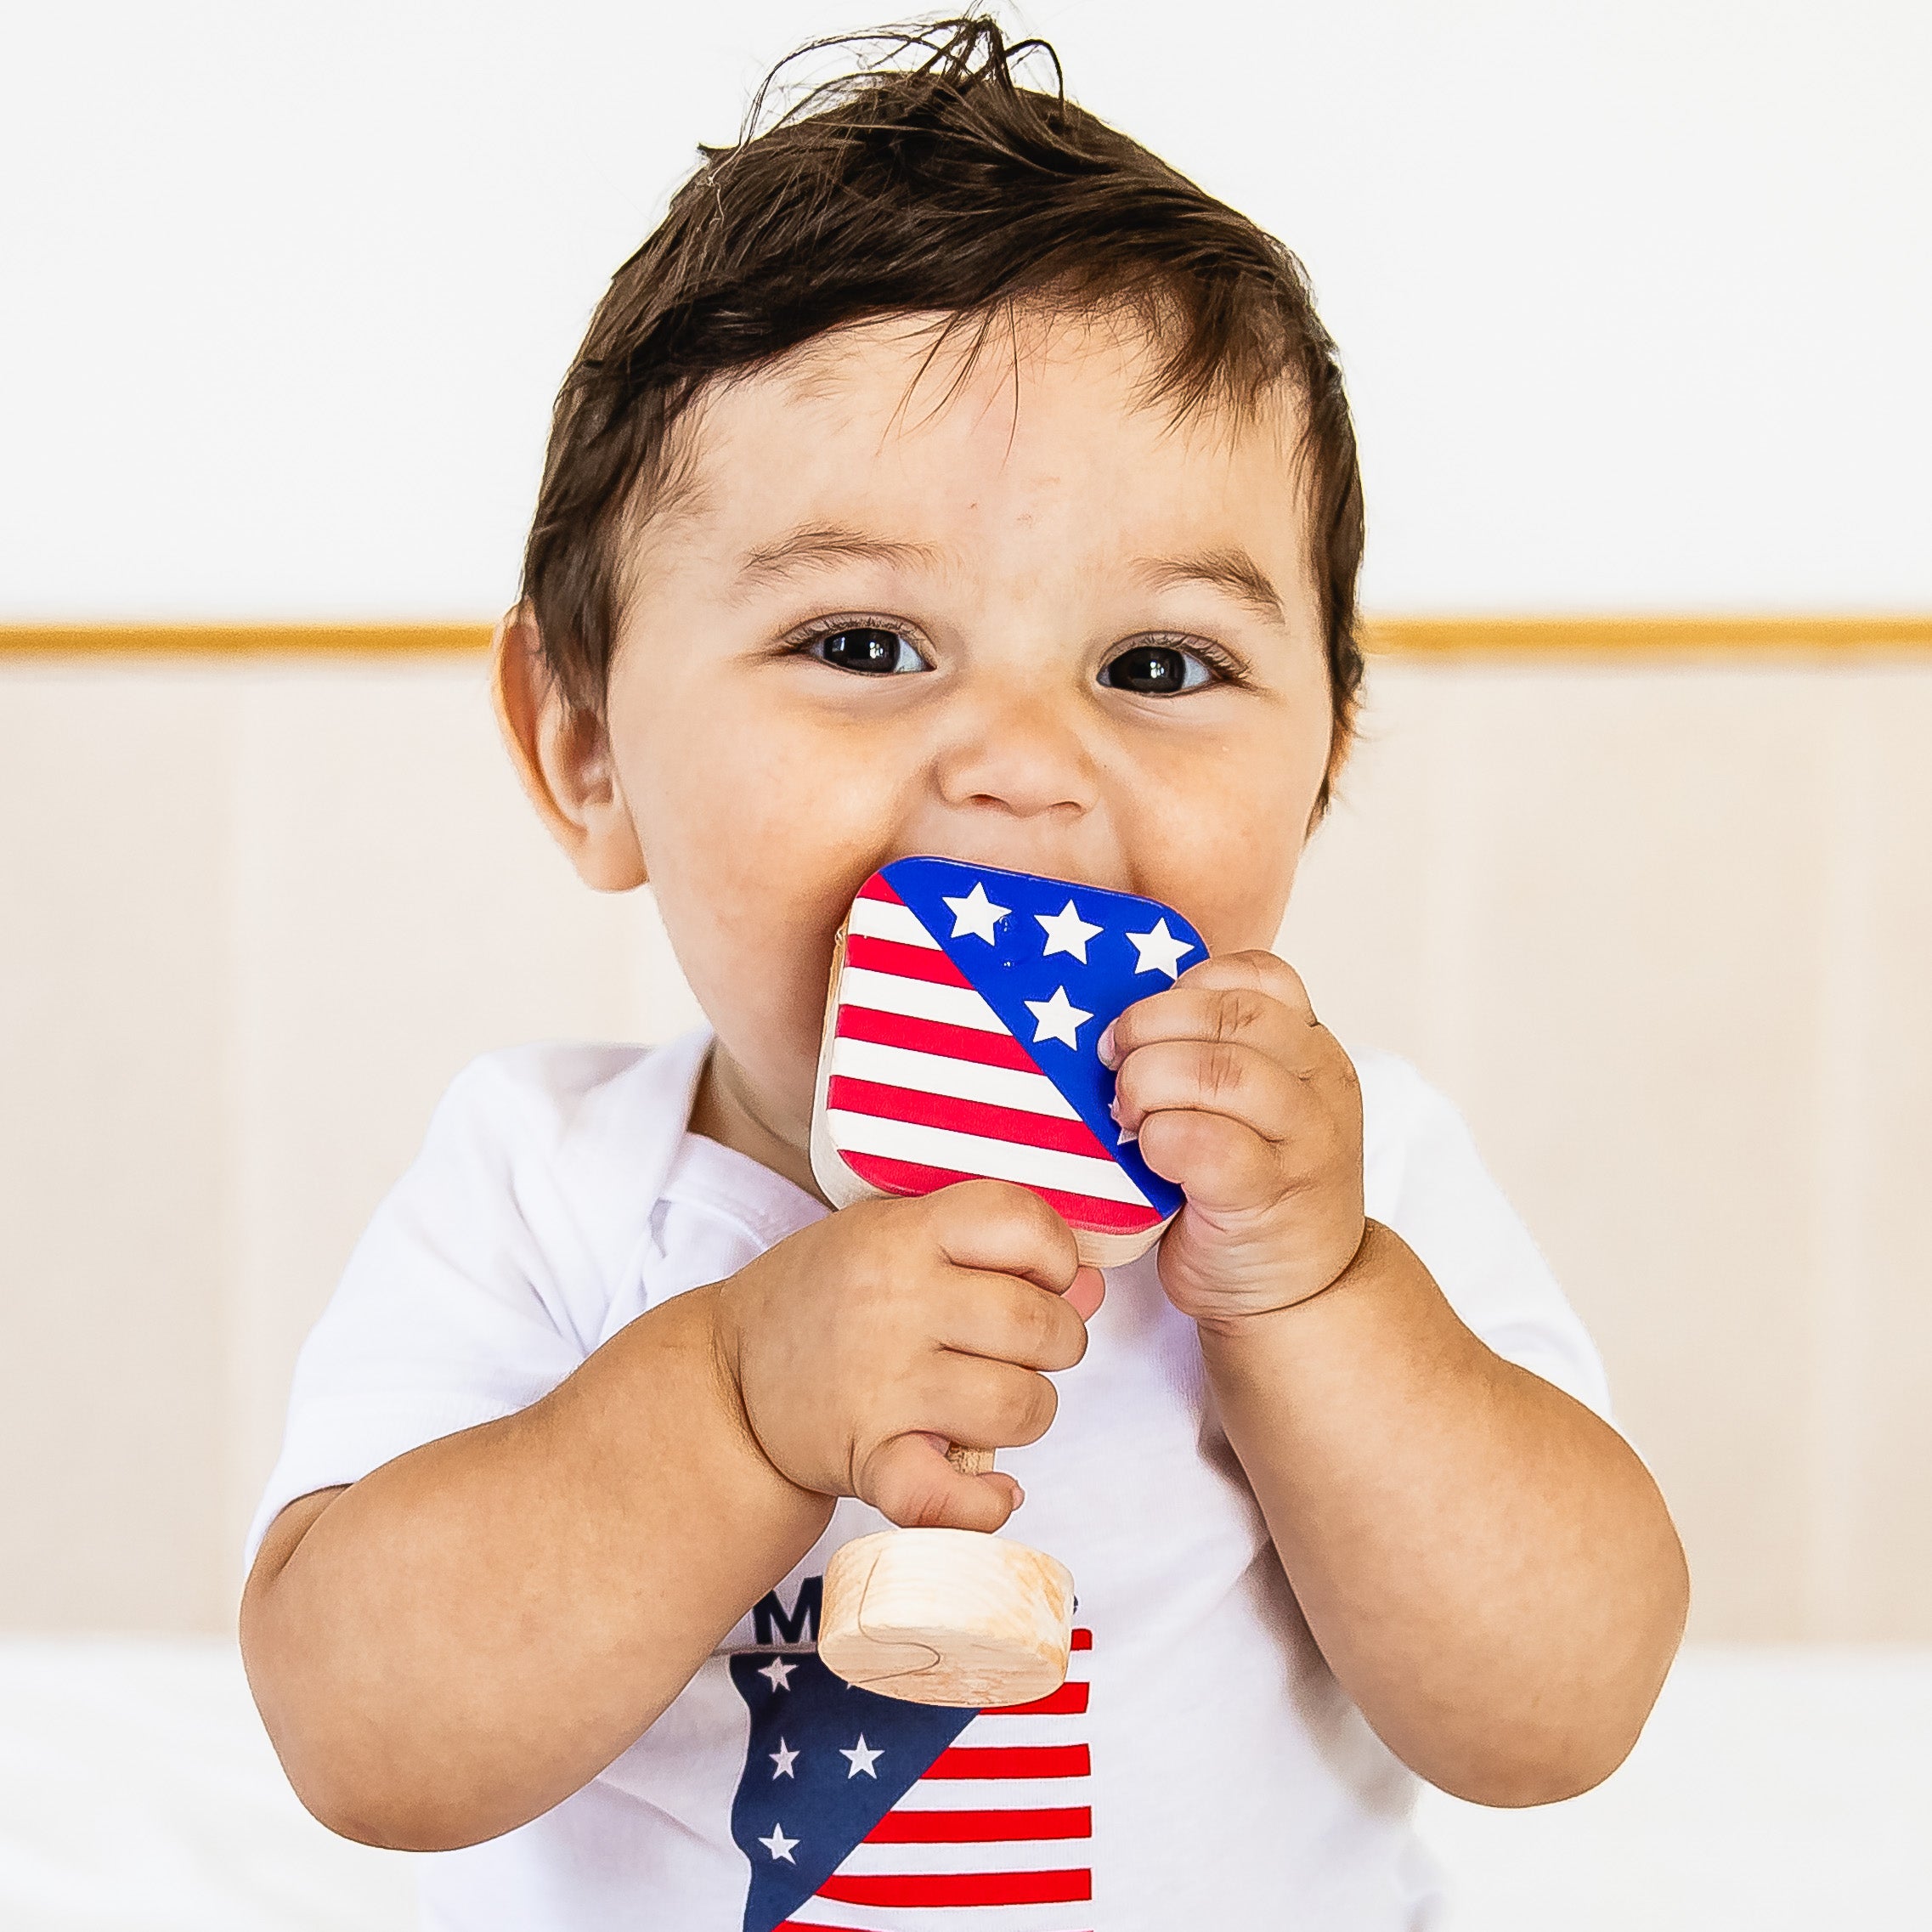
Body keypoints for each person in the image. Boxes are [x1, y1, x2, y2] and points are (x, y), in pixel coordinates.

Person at [239, 19, 1688, 1929]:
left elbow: (1561, 1710)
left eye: (1158, 667)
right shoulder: (548, 1190)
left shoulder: (1357, 1188)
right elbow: (367, 1739)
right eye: (861, 641)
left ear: (1324, 758)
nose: (1021, 760)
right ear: (587, 745)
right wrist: (733, 1402)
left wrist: (1319, 1302)